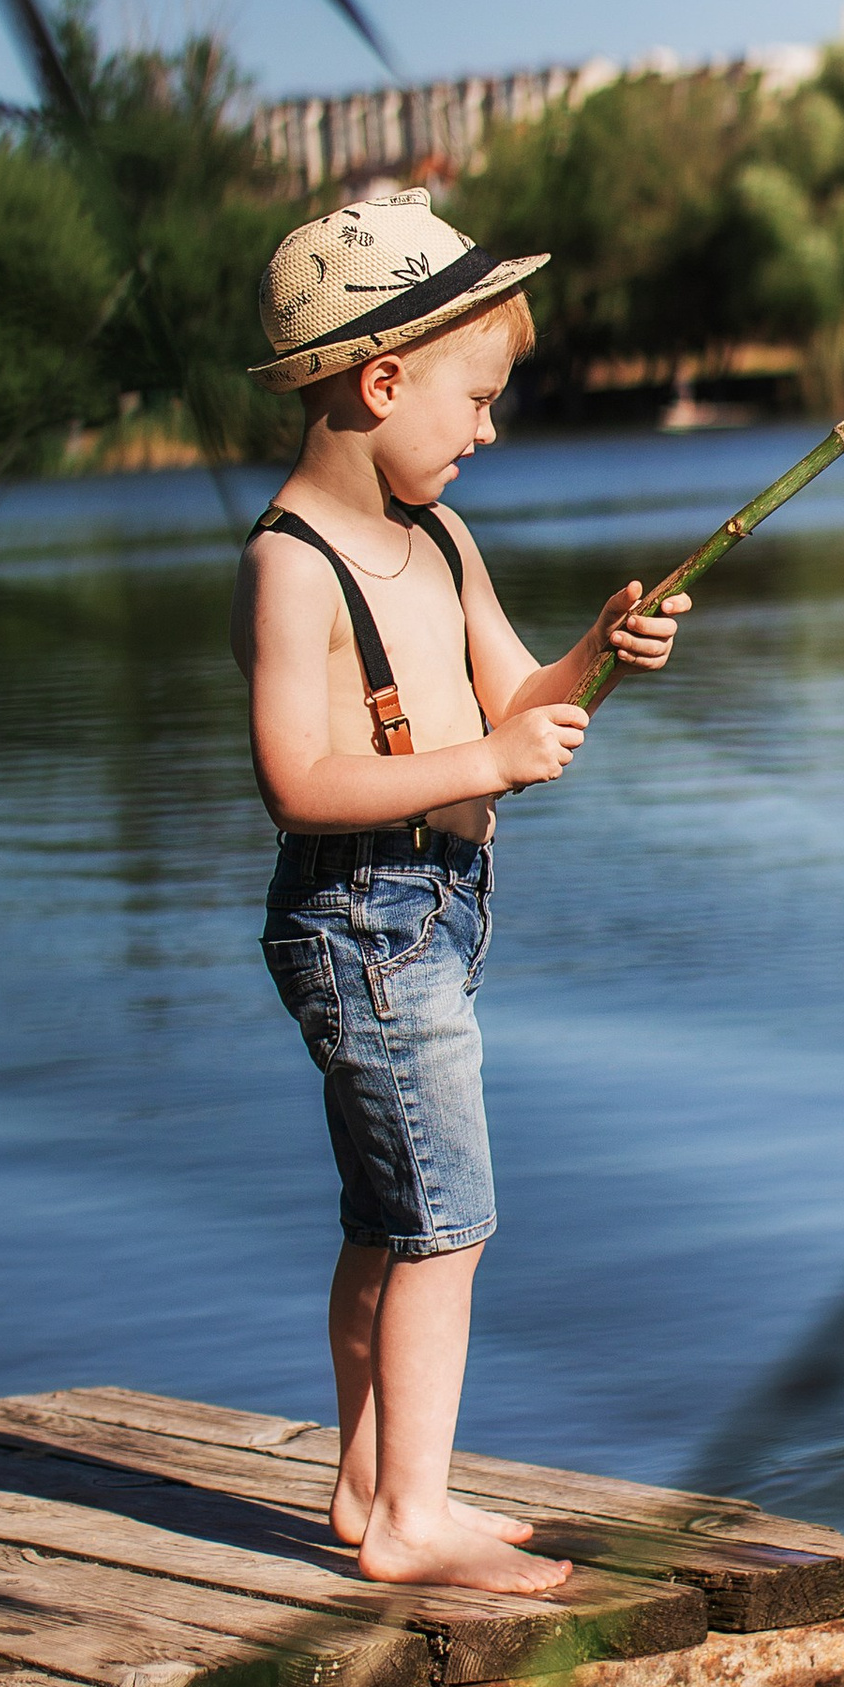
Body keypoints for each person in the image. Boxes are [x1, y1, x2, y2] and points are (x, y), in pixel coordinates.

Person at [232, 191, 689, 1596]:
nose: (489, 429)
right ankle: (412, 1522)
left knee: (390, 1217)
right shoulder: (290, 564)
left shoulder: (440, 539)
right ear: (382, 383)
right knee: (447, 1219)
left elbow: (519, 698)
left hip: (436, 913)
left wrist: (601, 650)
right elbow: (297, 780)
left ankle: (370, 1484)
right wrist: (483, 763)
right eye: (476, 400)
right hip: (359, 920)